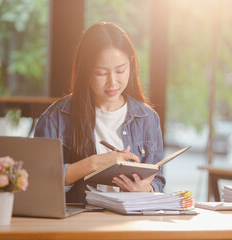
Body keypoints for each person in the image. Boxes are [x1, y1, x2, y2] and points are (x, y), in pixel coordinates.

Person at [35, 22, 165, 203]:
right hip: (77, 224)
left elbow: (158, 179)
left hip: (129, 224)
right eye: (101, 73)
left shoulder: (148, 118)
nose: (112, 83)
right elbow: (38, 181)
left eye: (120, 70)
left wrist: (146, 189)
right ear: (85, 71)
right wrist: (94, 163)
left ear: (131, 65)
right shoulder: (55, 119)